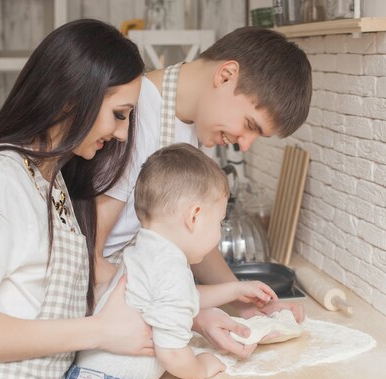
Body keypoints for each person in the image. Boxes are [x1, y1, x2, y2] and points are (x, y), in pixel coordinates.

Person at [0, 19, 153, 379]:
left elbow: (99, 278)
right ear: (73, 97)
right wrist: (100, 331)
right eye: (119, 114)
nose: (122, 133)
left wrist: (194, 313)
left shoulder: (53, 182)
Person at [95, 27, 314, 358]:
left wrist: (247, 307)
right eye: (251, 125)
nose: (244, 143)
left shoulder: (200, 126)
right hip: (104, 324)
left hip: (144, 313)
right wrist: (191, 313)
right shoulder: (132, 116)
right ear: (226, 75)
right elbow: (87, 255)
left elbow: (191, 236)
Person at [64, 144, 279, 379]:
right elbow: (172, 354)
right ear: (194, 216)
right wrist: (201, 367)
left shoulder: (148, 249)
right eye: (219, 222)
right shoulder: (171, 269)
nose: (217, 234)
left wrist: (235, 290)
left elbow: (180, 299)